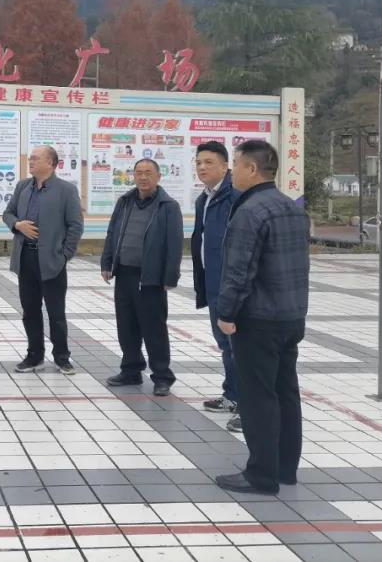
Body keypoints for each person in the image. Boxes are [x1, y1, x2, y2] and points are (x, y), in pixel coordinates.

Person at [213, 140, 310, 496]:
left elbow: (239, 271)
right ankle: (285, 469)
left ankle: (261, 475)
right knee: (286, 393)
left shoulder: (249, 211)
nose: (232, 172)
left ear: (251, 169)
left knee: (258, 397)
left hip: (258, 319)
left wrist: (226, 312)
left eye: (236, 165)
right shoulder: (292, 208)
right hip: (290, 316)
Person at [99, 159, 183, 395]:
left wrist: (170, 276)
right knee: (126, 326)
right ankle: (131, 370)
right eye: (139, 173)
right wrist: (107, 263)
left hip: (151, 277)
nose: (143, 177)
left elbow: (174, 244)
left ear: (158, 176)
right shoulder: (125, 202)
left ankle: (162, 376)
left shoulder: (168, 206)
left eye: (148, 173)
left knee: (154, 329)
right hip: (124, 273)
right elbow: (112, 233)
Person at [3, 145, 84, 374]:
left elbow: (75, 226)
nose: (31, 161)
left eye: (35, 158)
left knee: (56, 312)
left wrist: (64, 255)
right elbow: (8, 213)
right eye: (30, 158)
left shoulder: (66, 190)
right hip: (25, 257)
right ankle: (34, 356)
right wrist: (17, 225)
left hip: (52, 261)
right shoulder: (23, 186)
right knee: (30, 310)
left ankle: (61, 356)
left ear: (50, 163)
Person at [191, 141, 241, 428]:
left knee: (238, 345)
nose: (202, 167)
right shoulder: (205, 198)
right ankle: (231, 395)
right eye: (199, 163)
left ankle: (246, 404)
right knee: (225, 343)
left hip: (230, 282)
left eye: (209, 162)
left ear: (225, 166)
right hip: (212, 281)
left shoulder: (235, 196)